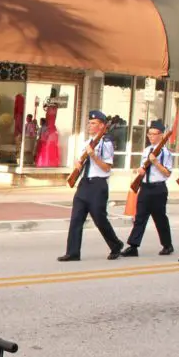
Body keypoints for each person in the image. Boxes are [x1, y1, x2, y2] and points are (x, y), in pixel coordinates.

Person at [58, 109, 124, 262]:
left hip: (97, 185)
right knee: (76, 218)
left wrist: (93, 155)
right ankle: (73, 252)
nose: (89, 126)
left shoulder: (106, 143)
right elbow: (82, 162)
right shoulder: (87, 142)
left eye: (93, 123)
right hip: (84, 183)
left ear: (102, 126)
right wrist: (78, 164)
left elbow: (107, 167)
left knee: (99, 219)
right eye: (89, 123)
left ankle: (116, 244)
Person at [121, 120, 174, 257]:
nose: (151, 137)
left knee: (160, 218)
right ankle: (133, 246)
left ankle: (167, 245)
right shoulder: (146, 150)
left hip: (158, 188)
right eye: (149, 134)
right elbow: (143, 166)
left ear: (161, 135)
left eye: (154, 134)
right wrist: (140, 170)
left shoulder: (165, 153)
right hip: (145, 187)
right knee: (139, 218)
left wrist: (155, 162)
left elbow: (167, 173)